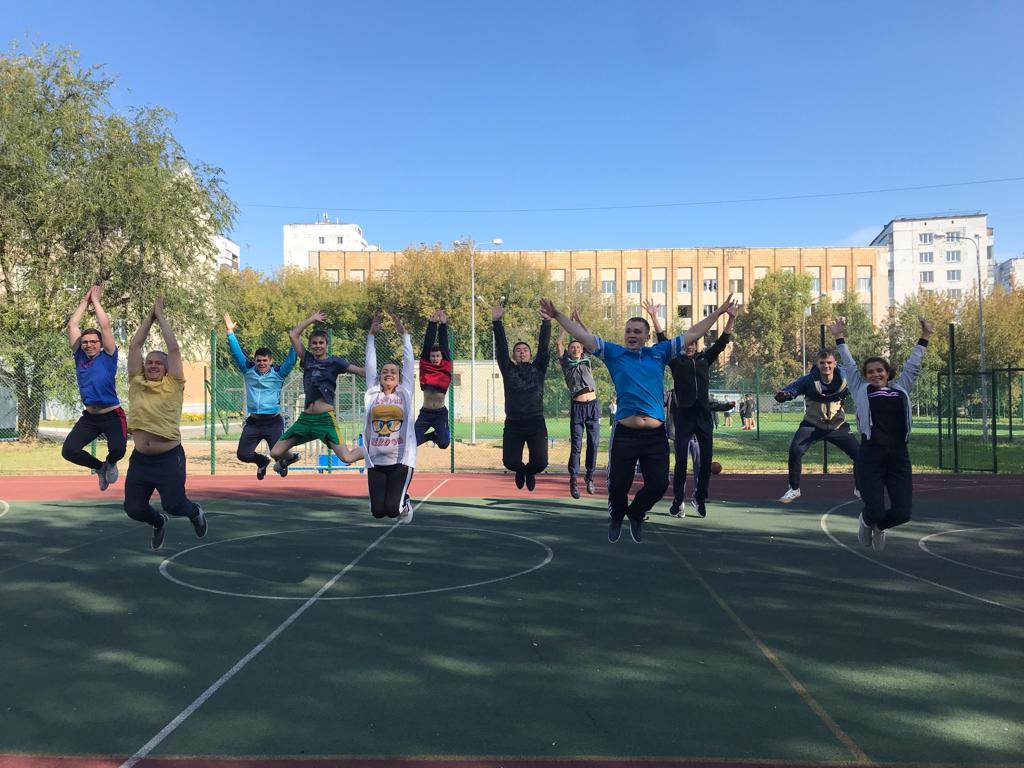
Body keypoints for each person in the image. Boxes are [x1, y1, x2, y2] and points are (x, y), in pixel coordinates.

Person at [540, 295, 737, 543]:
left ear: (647, 336)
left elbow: (693, 333)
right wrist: (557, 315)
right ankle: (616, 516)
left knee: (658, 485)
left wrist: (719, 312)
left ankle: (635, 513)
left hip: (655, 436)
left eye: (637, 331)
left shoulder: (659, 353)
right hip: (625, 433)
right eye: (628, 331)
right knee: (618, 485)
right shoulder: (614, 353)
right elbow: (584, 336)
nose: (631, 335)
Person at [831, 315, 932, 552]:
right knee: (875, 509)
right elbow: (849, 364)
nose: (876, 374)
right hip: (871, 455)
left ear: (888, 373)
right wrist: (839, 337)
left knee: (902, 513)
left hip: (898, 456)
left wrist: (925, 336)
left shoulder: (900, 389)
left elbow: (913, 366)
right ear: (865, 375)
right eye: (871, 372)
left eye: (880, 371)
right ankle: (867, 520)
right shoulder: (860, 389)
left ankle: (879, 527)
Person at [123, 298, 207, 550]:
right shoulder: (136, 381)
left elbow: (174, 350)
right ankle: (158, 521)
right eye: (149, 362)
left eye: (158, 363)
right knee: (133, 508)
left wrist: (160, 317)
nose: (153, 365)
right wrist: (149, 318)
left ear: (167, 368)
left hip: (168, 458)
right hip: (140, 459)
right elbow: (135, 346)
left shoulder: (174, 383)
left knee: (175, 504)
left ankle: (195, 512)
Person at [646, 298, 739, 518]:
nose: (689, 345)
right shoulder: (675, 361)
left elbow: (723, 342)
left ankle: (699, 497)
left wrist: (731, 318)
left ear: (697, 345)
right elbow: (663, 340)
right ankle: (678, 501)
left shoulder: (705, 359)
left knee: (705, 461)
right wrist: (654, 317)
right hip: (685, 415)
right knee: (680, 462)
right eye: (687, 343)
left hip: (703, 415)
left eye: (693, 343)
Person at [269, 311, 365, 475]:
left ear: (326, 345)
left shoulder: (335, 362)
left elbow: (360, 371)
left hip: (325, 419)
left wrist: (380, 374)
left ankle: (377, 449)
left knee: (347, 457)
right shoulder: (307, 358)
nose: (317, 345)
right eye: (314, 343)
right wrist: (312, 319)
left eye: (321, 342)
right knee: (275, 452)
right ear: (310, 345)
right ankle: (290, 459)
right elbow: (293, 334)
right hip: (306, 420)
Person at [774, 349, 860, 504]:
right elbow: (792, 389)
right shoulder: (809, 380)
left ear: (835, 364)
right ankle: (794, 489)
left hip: (838, 425)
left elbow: (861, 387)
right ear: (817, 364)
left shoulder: (845, 378)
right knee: (795, 450)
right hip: (812, 425)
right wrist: (784, 395)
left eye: (829, 363)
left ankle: (860, 487)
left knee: (860, 455)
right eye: (822, 363)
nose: (826, 366)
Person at [63, 285, 126, 490]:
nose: (89, 345)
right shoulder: (79, 356)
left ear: (100, 344)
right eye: (85, 342)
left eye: (93, 342)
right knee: (69, 451)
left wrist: (96, 302)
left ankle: (111, 462)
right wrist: (84, 301)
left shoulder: (108, 356)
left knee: (118, 450)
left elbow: (105, 327)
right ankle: (100, 468)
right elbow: (73, 324)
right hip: (90, 417)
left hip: (112, 415)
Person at [224, 312, 297, 480]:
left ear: (270, 361)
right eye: (259, 361)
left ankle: (283, 461)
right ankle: (262, 462)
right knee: (243, 454)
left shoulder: (279, 373)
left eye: (265, 361)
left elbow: (291, 360)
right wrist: (230, 332)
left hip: (273, 422)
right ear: (255, 361)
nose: (261, 363)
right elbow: (237, 354)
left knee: (278, 453)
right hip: (254, 422)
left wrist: (294, 339)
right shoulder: (248, 370)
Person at [364, 312, 417, 522]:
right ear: (379, 376)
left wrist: (405, 336)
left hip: (400, 461)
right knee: (378, 512)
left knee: (393, 510)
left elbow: (409, 362)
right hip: (376, 460)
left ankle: (405, 502)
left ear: (399, 377)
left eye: (393, 372)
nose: (389, 374)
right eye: (385, 371)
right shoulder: (372, 394)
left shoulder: (404, 394)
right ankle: (395, 501)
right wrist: (371, 336)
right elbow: (370, 364)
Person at [493, 302, 551, 491]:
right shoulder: (508, 369)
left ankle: (529, 471)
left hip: (535, 422)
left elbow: (544, 348)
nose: (522, 352)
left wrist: (546, 323)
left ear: (530, 355)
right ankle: (520, 470)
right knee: (510, 462)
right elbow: (501, 349)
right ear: (514, 355)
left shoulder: (538, 368)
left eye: (525, 350)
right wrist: (497, 323)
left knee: (541, 463)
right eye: (518, 350)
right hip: (514, 423)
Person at [556, 310, 601, 499]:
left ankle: (589, 476)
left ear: (582, 349)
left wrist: (579, 320)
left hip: (593, 406)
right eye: (572, 347)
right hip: (578, 407)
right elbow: (558, 343)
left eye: (578, 347)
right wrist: (567, 324)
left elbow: (589, 336)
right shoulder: (566, 362)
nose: (575, 349)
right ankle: (573, 479)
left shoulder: (587, 359)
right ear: (569, 350)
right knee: (576, 445)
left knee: (594, 443)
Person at [414, 309, 453, 448]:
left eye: (437, 356)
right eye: (432, 356)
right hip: (425, 413)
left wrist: (443, 324)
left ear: (442, 357)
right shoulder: (425, 366)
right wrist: (432, 324)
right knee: (412, 442)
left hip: (440, 413)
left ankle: (437, 435)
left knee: (444, 443)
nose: (435, 358)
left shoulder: (445, 367)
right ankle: (430, 436)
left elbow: (444, 345)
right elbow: (427, 344)